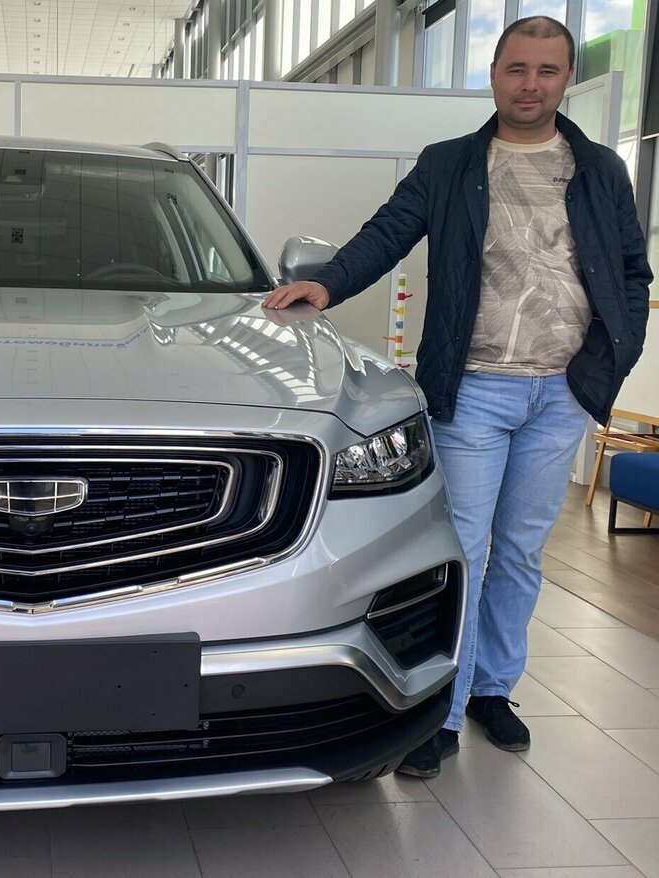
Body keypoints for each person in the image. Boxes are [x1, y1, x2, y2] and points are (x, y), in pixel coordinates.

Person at [265, 16, 651, 777]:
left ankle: (492, 689)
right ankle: (440, 710)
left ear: (567, 78)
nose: (530, 84)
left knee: (522, 551)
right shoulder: (449, 164)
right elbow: (388, 233)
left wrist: (613, 357)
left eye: (546, 70)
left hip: (563, 391)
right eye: (517, 68)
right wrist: (328, 283)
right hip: (473, 388)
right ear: (495, 75)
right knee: (465, 552)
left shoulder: (601, 170)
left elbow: (632, 271)